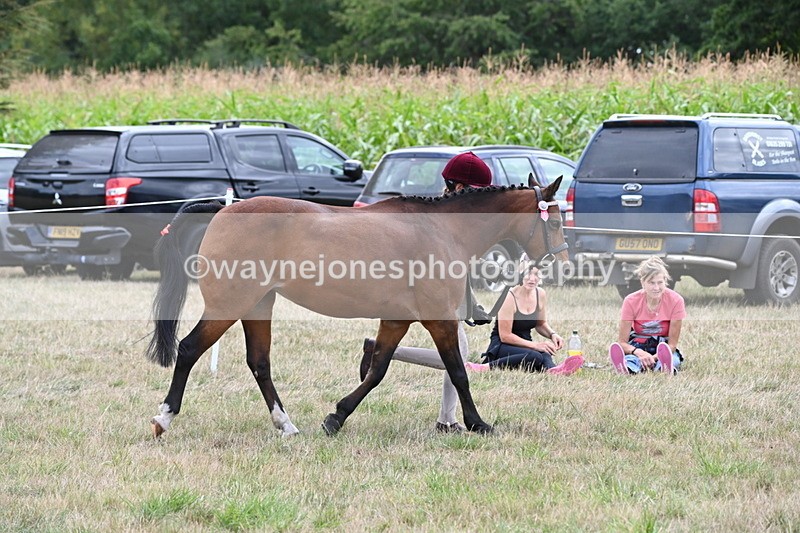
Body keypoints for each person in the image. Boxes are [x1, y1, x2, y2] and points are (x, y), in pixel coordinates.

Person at [359, 151, 493, 433]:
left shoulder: (447, 214)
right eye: (477, 193)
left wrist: (473, 305)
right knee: (459, 353)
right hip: (428, 292)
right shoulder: (443, 218)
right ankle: (446, 419)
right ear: (460, 188)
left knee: (460, 353)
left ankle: (447, 418)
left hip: (436, 290)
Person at [465, 263, 583, 375]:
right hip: (503, 346)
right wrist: (536, 345)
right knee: (535, 356)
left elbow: (540, 324)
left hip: (526, 345)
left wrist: (552, 334)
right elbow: (505, 336)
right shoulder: (509, 297)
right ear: (519, 274)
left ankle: (553, 370)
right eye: (528, 274)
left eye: (536, 274)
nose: (532, 279)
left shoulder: (540, 294)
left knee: (545, 352)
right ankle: (484, 367)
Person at [608, 256, 686, 375]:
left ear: (665, 281)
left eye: (660, 282)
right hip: (638, 345)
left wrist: (653, 358)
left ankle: (664, 367)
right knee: (632, 360)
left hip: (663, 348)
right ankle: (625, 367)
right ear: (642, 283)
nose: (656, 288)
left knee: (672, 359)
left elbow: (672, 345)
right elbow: (622, 343)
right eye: (651, 283)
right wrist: (639, 353)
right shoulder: (630, 301)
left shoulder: (676, 301)